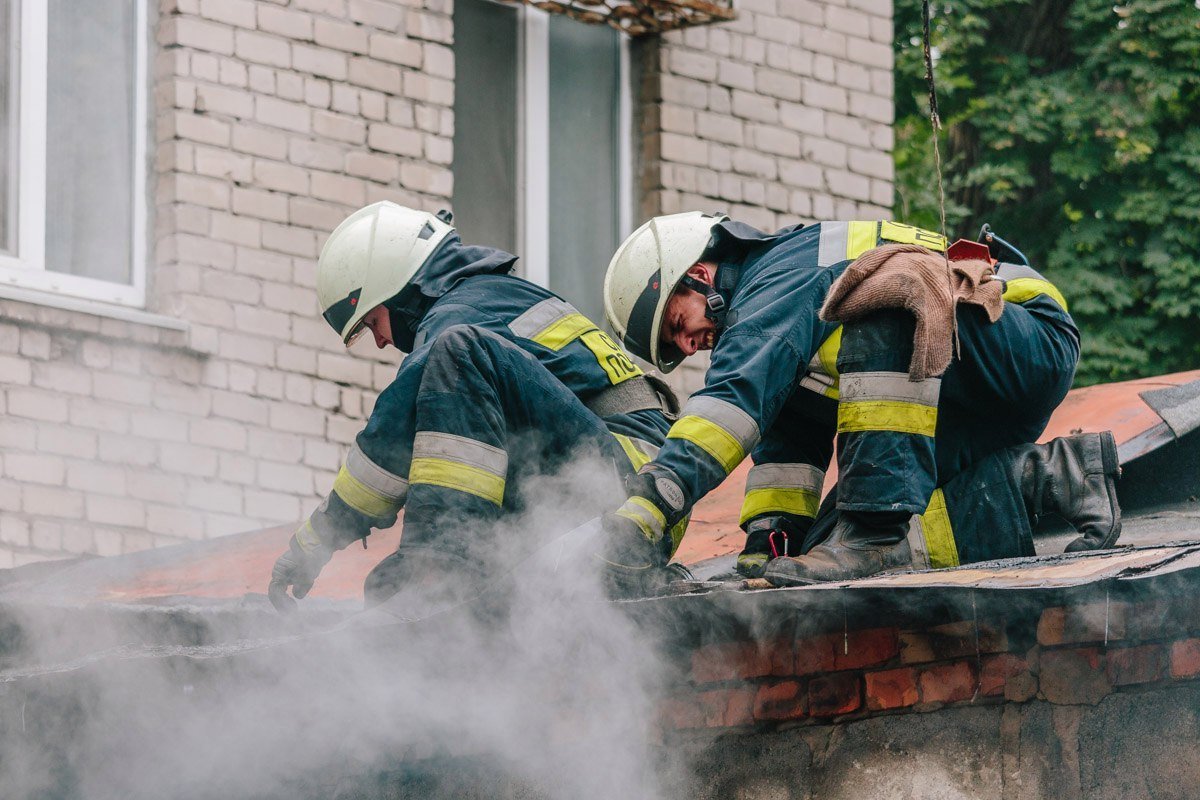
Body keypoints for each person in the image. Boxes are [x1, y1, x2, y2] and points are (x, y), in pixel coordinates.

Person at [597, 213, 1121, 585]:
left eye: (675, 324)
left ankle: (870, 534)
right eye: (675, 348)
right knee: (832, 549)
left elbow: (732, 403)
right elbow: (788, 445)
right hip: (953, 389)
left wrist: (643, 513)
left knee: (881, 300)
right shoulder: (772, 321)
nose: (688, 346)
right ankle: (1058, 477)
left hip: (1021, 334)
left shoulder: (776, 277)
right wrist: (768, 547)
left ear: (698, 273)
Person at [267, 201, 685, 612]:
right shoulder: (494, 298)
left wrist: (315, 541)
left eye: (372, 323)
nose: (379, 342)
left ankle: (444, 561)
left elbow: (388, 441)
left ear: (394, 288)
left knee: (457, 352)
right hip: (623, 494)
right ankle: (461, 577)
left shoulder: (461, 315)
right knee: (388, 589)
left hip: (626, 492)